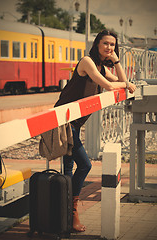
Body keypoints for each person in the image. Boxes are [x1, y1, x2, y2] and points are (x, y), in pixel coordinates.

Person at [54, 29, 136, 232]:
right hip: (64, 123)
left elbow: (120, 81)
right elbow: (110, 85)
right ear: (97, 44)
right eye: (106, 43)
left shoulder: (100, 66)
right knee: (84, 165)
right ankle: (71, 212)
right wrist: (124, 83)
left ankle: (63, 218)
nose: (109, 47)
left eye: (112, 45)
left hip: (72, 124)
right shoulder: (87, 62)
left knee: (68, 170)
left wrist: (118, 66)